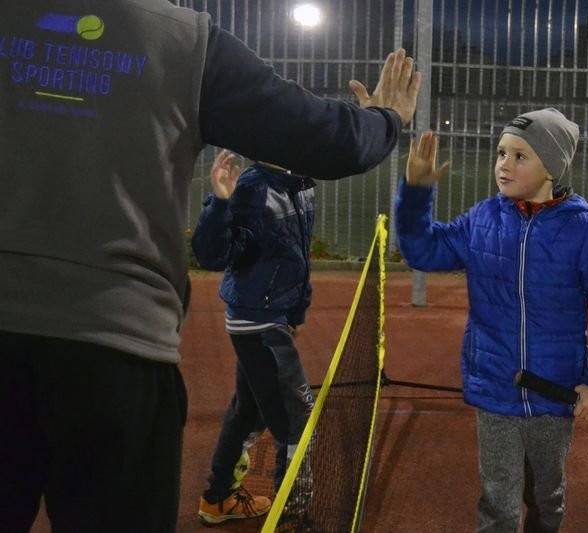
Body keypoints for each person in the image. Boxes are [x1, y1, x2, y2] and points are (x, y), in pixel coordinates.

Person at [0, 1, 420, 531]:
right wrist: (386, 118)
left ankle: (224, 488)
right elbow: (326, 137)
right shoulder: (183, 40)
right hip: (117, 348)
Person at [394, 109, 588, 532]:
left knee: (547, 497)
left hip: (554, 396)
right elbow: (422, 251)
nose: (504, 165)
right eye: (501, 153)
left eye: (520, 156)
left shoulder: (584, 230)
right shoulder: (483, 219)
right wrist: (416, 192)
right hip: (496, 390)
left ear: (552, 168)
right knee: (499, 504)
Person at [191, 150, 317, 524]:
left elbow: (299, 254)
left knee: (249, 411)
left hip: (273, 317)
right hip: (256, 322)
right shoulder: (252, 187)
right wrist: (220, 203)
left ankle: (218, 499)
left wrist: (296, 311)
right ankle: (290, 518)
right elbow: (213, 256)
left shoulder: (302, 183)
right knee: (296, 423)